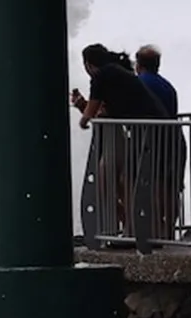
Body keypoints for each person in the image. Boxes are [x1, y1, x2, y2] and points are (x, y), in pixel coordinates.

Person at [71, 44, 169, 241]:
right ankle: (141, 229)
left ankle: (136, 230)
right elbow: (106, 111)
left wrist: (83, 117)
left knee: (123, 183)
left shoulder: (102, 76)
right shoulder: (118, 74)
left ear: (89, 64)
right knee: (130, 183)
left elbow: (94, 110)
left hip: (146, 133)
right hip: (155, 132)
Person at [135, 45, 186, 238]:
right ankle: (169, 231)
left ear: (138, 65)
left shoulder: (138, 83)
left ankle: (155, 229)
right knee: (171, 186)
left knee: (153, 185)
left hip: (152, 141)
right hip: (174, 137)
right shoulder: (167, 86)